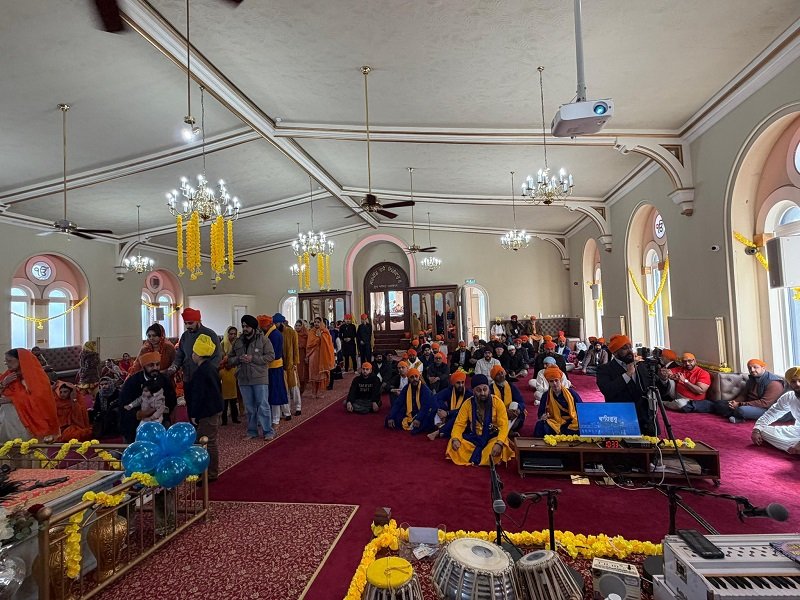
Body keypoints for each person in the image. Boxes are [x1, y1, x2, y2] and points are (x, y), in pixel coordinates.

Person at [595, 334, 669, 437]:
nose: (629, 351)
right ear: (615, 352)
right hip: (621, 419)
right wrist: (627, 375)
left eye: (630, 347)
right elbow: (608, 391)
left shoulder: (641, 366)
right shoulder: (605, 369)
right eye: (624, 348)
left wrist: (663, 379)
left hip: (646, 420)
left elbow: (659, 390)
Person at [446, 374, 514, 466]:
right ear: (473, 391)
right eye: (478, 390)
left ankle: (485, 456)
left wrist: (499, 443)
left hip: (493, 437)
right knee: (452, 444)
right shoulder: (467, 404)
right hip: (475, 438)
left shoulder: (497, 402)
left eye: (485, 389)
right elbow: (459, 424)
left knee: (501, 446)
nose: (482, 393)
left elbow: (504, 425)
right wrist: (455, 439)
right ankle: (485, 459)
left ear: (488, 389)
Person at [227, 315, 275, 441]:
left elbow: (271, 356)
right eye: (243, 326)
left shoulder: (263, 340)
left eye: (247, 326)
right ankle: (252, 431)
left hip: (259, 378)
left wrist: (253, 358)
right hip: (243, 378)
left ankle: (268, 431)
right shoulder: (238, 342)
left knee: (263, 405)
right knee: (249, 408)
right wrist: (239, 359)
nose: (244, 329)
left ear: (253, 327)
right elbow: (230, 359)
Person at [0, 349, 59, 442]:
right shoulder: (9, 375)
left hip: (29, 417)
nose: (6, 364)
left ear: (20, 360)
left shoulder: (36, 376)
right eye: (5, 361)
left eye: (9, 360)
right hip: (8, 415)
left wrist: (12, 399)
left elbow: (38, 398)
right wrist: (3, 383)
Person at [168, 308, 221, 409]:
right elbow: (180, 355)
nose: (188, 326)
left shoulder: (210, 334)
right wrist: (174, 367)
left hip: (205, 380)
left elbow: (217, 357)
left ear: (198, 321)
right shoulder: (185, 336)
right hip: (188, 379)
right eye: (186, 323)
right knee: (191, 408)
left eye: (190, 323)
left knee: (204, 409)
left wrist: (207, 373)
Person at [119, 352, 177, 443]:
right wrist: (139, 414)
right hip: (136, 421)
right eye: (151, 365)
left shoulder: (164, 380)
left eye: (157, 365)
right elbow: (124, 405)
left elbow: (172, 402)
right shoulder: (132, 382)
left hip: (160, 420)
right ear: (144, 367)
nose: (155, 368)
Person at [188, 334, 224, 481]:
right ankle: (208, 472)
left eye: (193, 352)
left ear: (197, 354)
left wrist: (194, 413)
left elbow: (199, 395)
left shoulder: (201, 372)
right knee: (208, 441)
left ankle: (210, 474)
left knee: (207, 442)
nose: (192, 355)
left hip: (207, 412)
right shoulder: (211, 368)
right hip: (213, 409)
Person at [716, 358, 786, 423]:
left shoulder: (774, 383)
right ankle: (737, 416)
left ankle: (737, 415)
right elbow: (744, 395)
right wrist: (734, 402)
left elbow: (765, 403)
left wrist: (739, 404)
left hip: (766, 409)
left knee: (741, 410)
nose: (752, 370)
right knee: (720, 403)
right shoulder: (752, 379)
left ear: (763, 368)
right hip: (749, 405)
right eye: (750, 368)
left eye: (755, 367)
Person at [751, 366, 800, 454]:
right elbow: (772, 413)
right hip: (797, 431)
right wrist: (757, 430)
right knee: (763, 430)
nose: (797, 384)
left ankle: (795, 447)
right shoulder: (789, 396)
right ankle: (794, 447)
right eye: (793, 381)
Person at [258, 314, 290, 426]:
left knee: (275, 391)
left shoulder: (274, 335)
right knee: (278, 390)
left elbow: (273, 354)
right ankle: (286, 413)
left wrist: (261, 358)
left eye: (262, 327)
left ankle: (276, 418)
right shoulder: (272, 333)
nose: (261, 329)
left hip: (274, 367)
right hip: (273, 366)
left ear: (267, 325)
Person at [534, 366, 584, 436]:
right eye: (551, 381)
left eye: (556, 380)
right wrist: (543, 416)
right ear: (548, 383)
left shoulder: (571, 393)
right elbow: (540, 413)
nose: (554, 383)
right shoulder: (546, 396)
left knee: (581, 427)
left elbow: (582, 409)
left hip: (571, 421)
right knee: (540, 426)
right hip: (555, 422)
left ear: (560, 380)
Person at [427, 370, 473, 440]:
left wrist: (447, 413)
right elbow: (435, 398)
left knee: (457, 417)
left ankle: (438, 432)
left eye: (462, 382)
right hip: (449, 416)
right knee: (435, 407)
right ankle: (445, 431)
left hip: (462, 418)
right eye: (458, 383)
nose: (461, 385)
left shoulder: (468, 393)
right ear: (453, 383)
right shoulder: (450, 390)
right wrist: (441, 410)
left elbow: (463, 410)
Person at [385, 368, 435, 433]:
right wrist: (391, 417)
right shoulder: (406, 388)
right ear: (408, 379)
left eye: (416, 376)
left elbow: (425, 407)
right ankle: (413, 425)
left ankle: (415, 424)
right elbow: (398, 403)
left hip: (422, 413)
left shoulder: (425, 389)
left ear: (419, 377)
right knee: (389, 419)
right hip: (409, 413)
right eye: (412, 377)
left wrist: (418, 419)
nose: (414, 379)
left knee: (428, 422)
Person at [275, 313, 302, 417]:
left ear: (282, 322)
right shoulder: (275, 333)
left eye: (277, 323)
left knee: (294, 387)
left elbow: (295, 349)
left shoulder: (291, 332)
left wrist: (295, 363)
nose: (276, 325)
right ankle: (287, 411)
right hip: (280, 365)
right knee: (284, 388)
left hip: (291, 364)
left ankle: (298, 407)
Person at [489, 365, 525, 436]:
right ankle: (506, 432)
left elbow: (521, 402)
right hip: (497, 418)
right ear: (494, 378)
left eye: (502, 373)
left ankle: (503, 431)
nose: (501, 375)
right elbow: (489, 407)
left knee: (515, 404)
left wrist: (518, 410)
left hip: (511, 418)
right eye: (498, 374)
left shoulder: (511, 386)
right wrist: (504, 412)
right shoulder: (490, 389)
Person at [306, 316, 336, 398]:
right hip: (313, 355)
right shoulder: (311, 332)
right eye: (315, 322)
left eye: (318, 322)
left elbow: (329, 343)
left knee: (322, 374)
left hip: (323, 355)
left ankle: (321, 392)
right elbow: (309, 344)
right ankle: (314, 392)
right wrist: (318, 339)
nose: (316, 323)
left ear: (321, 323)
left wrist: (321, 337)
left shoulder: (325, 331)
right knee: (314, 373)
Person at [219, 326, 240, 426]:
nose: (233, 336)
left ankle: (235, 417)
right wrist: (226, 364)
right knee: (224, 400)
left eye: (235, 334)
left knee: (234, 399)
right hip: (224, 370)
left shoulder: (239, 344)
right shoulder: (222, 344)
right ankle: (224, 420)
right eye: (231, 334)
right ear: (227, 334)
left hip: (235, 370)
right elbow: (220, 358)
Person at [295, 320, 309, 394]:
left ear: (302, 326)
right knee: (295, 372)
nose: (297, 327)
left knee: (302, 373)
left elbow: (307, 347)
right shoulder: (293, 334)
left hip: (302, 355)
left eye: (299, 326)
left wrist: (307, 356)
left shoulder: (305, 335)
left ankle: (302, 389)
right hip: (294, 355)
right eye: (296, 325)